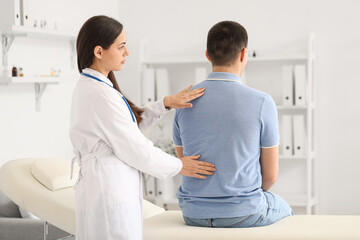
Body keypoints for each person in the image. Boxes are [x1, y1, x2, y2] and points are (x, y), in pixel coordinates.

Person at [69, 15, 216, 240]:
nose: (127, 52)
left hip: (107, 185)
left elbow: (127, 126)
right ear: (99, 52)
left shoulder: (96, 88)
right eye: (121, 47)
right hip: (108, 190)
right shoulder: (100, 94)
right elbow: (137, 150)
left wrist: (164, 103)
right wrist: (180, 165)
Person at [173, 20, 293, 228]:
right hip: (243, 213)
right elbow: (270, 176)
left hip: (193, 214)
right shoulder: (262, 102)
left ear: (208, 55)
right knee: (285, 209)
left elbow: (183, 160)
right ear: (244, 54)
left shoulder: (184, 100)